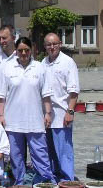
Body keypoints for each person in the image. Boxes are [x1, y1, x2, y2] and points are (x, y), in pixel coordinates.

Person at [0, 37, 56, 185]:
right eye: (20, 50)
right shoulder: (7, 68)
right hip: (13, 121)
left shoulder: (40, 67)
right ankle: (19, 182)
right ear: (16, 51)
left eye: (27, 50)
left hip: (35, 120)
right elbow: (1, 96)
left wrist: (48, 113)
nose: (24, 53)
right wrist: (1, 115)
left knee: (40, 154)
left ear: (32, 50)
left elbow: (46, 94)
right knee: (16, 157)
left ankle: (46, 182)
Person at [42, 32, 80, 182]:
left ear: (60, 44)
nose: (52, 47)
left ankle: (67, 180)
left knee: (64, 151)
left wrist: (70, 111)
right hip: (46, 116)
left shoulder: (68, 62)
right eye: (49, 44)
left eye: (55, 44)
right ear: (45, 46)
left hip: (62, 115)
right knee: (49, 152)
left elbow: (74, 91)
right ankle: (53, 179)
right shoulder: (43, 63)